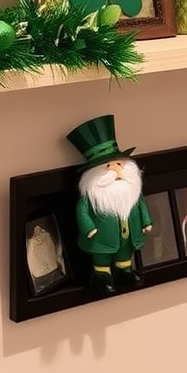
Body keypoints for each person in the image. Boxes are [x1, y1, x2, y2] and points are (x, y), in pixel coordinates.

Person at [67, 115, 151, 296]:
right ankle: (102, 275)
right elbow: (82, 210)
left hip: (128, 236)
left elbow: (140, 204)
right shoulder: (92, 196)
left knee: (124, 254)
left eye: (119, 164)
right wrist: (89, 228)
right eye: (109, 166)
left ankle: (124, 271)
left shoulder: (131, 191)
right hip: (101, 239)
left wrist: (146, 221)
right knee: (102, 256)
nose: (116, 170)